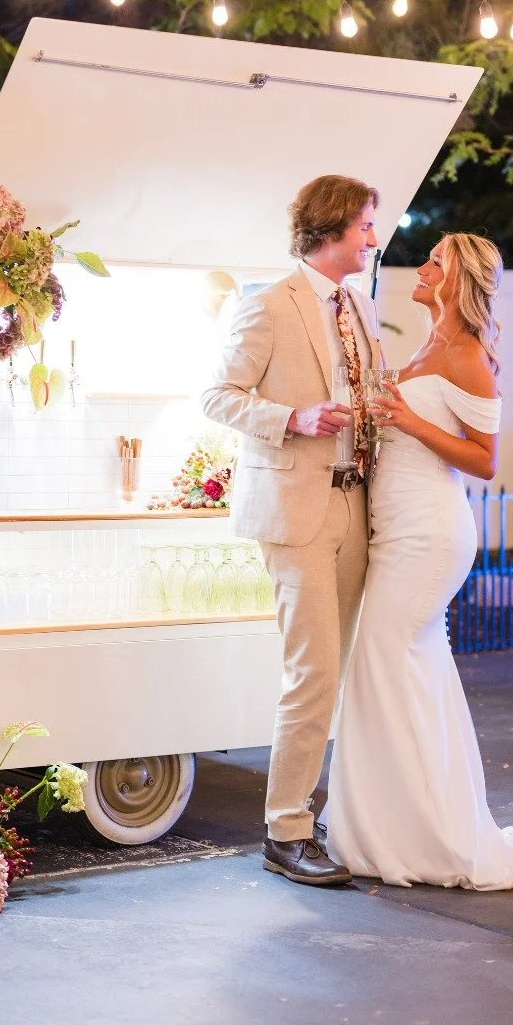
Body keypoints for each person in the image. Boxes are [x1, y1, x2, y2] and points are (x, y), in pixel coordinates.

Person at [328, 233, 513, 893]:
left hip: (431, 534)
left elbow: (485, 462)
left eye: (435, 260)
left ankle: (422, 836)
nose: (424, 265)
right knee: (404, 671)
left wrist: (405, 419)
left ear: (457, 280)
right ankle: (408, 824)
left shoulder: (467, 357)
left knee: (384, 660)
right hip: (398, 526)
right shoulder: (430, 345)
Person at [202, 173, 381, 886]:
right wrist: (294, 420)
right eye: (366, 225)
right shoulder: (267, 306)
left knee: (344, 676)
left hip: (355, 506)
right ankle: (286, 831)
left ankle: (329, 814)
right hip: (295, 511)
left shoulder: (360, 307)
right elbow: (217, 396)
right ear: (333, 228)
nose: (373, 238)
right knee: (314, 674)